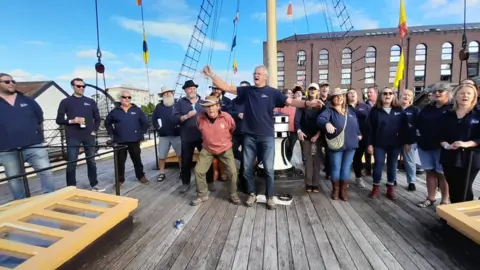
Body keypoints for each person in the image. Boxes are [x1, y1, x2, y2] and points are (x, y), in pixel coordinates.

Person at [201, 64, 322, 210]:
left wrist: (308, 103)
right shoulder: (247, 91)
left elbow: (291, 102)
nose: (255, 75)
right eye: (254, 73)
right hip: (249, 136)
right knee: (246, 168)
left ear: (265, 76)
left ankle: (270, 197)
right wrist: (212, 75)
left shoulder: (273, 93)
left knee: (269, 169)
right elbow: (227, 88)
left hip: (266, 136)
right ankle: (252, 193)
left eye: (258, 73)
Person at [0, 73, 55, 199]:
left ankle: (50, 198)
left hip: (34, 144)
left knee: (46, 171)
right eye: (7, 82)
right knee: (14, 179)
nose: (12, 83)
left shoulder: (27, 100)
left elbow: (39, 117)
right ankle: (21, 203)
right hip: (7, 149)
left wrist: (37, 134)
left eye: (13, 81)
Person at [191, 95, 241, 206]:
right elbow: (200, 129)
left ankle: (233, 194)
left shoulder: (226, 117)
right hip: (207, 148)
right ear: (204, 108)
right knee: (198, 171)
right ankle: (202, 194)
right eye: (207, 106)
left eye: (212, 106)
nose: (210, 109)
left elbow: (232, 128)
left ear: (218, 106)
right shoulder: (200, 118)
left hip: (225, 148)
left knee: (232, 172)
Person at [56, 78, 104, 191]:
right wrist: (72, 121)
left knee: (91, 161)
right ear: (73, 86)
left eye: (83, 86)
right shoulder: (65, 102)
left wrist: (94, 131)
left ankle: (94, 184)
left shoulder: (90, 102)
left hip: (88, 136)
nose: (81, 88)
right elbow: (59, 120)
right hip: (73, 136)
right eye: (79, 86)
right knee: (72, 162)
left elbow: (97, 119)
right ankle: (71, 188)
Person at [365, 87, 413, 200]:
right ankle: (375, 187)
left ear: (393, 96)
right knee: (379, 164)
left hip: (395, 144)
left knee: (392, 165)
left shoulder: (399, 110)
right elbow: (369, 129)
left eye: (390, 93)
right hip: (379, 143)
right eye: (385, 93)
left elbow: (405, 128)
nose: (387, 95)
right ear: (381, 96)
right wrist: (369, 144)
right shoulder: (375, 111)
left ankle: (390, 188)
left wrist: (407, 142)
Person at [317, 88, 361, 201]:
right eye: (336, 96)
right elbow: (320, 119)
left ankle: (343, 190)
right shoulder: (329, 110)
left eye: (341, 95)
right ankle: (335, 189)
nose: (339, 97)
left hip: (351, 144)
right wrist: (326, 123)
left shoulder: (350, 111)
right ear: (332, 99)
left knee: (346, 168)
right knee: (336, 167)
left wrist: (359, 133)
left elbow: (356, 124)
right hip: (336, 145)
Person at [439, 83, 480, 203]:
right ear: (455, 96)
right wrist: (447, 145)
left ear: (474, 97)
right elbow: (440, 135)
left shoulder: (478, 114)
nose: (465, 96)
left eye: (469, 93)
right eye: (462, 93)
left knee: (465, 188)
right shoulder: (447, 115)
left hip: (470, 157)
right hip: (449, 156)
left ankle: (464, 217)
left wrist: (466, 144)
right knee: (453, 187)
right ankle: (453, 216)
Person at [172, 80, 214, 193]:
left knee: (207, 159)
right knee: (186, 162)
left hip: (202, 136)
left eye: (193, 88)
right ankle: (185, 183)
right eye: (189, 88)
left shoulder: (203, 102)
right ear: (185, 90)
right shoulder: (180, 103)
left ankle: (210, 182)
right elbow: (175, 119)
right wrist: (186, 116)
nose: (192, 90)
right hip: (186, 137)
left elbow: (211, 116)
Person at [416, 82, 452, 207]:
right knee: (429, 172)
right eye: (435, 91)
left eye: (440, 91)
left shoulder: (452, 109)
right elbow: (418, 123)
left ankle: (445, 200)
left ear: (448, 93)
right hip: (425, 145)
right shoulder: (427, 108)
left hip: (441, 147)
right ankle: (430, 198)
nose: (437, 93)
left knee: (442, 174)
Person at [105, 90, 150, 187]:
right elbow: (107, 123)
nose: (127, 99)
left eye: (129, 97)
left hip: (134, 140)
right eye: (124, 97)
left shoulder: (137, 110)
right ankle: (120, 180)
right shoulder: (114, 112)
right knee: (120, 162)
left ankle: (141, 176)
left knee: (137, 160)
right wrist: (112, 134)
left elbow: (145, 123)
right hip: (120, 141)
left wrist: (140, 134)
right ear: (120, 98)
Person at [295, 83, 323, 192]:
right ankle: (308, 183)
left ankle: (315, 183)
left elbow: (324, 120)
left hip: (318, 136)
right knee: (308, 160)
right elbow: (297, 120)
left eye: (314, 89)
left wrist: (317, 134)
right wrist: (299, 131)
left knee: (316, 160)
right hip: (305, 136)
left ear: (318, 92)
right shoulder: (303, 104)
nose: (312, 91)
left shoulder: (321, 105)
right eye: (311, 89)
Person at [152, 86, 182, 181]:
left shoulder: (178, 104)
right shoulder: (159, 106)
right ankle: (161, 173)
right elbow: (153, 119)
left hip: (177, 134)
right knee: (162, 155)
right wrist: (158, 128)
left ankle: (182, 171)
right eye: (165, 93)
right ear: (162, 95)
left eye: (169, 92)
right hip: (164, 135)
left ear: (172, 93)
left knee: (180, 154)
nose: (167, 94)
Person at [347, 88, 370, 188]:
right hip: (348, 137)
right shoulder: (344, 107)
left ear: (357, 95)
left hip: (362, 138)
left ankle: (358, 178)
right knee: (347, 159)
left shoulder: (365, 107)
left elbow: (370, 122)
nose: (352, 94)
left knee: (358, 158)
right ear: (347, 96)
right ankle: (345, 179)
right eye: (350, 93)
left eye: (354, 92)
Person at [398, 89, 419, 191]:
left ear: (412, 98)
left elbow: (416, 127)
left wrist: (409, 142)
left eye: (409, 95)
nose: (406, 97)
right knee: (392, 161)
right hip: (395, 140)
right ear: (400, 96)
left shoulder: (415, 110)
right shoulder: (395, 109)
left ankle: (411, 181)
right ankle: (392, 179)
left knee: (409, 161)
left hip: (409, 141)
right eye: (404, 94)